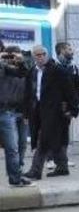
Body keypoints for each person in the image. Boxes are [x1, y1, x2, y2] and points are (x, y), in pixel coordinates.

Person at [23, 46, 78, 180]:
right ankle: (62, 167)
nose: (40, 57)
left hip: (54, 111)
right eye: (37, 55)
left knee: (44, 139)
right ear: (33, 57)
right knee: (54, 139)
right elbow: (27, 94)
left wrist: (73, 109)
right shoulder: (31, 72)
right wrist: (26, 113)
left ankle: (35, 170)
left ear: (47, 55)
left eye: (43, 54)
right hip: (37, 111)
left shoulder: (57, 71)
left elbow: (70, 90)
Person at [0, 48, 32, 187]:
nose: (10, 58)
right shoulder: (2, 67)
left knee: (18, 146)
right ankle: (16, 176)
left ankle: (16, 175)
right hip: (6, 112)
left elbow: (23, 73)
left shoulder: (11, 66)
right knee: (13, 147)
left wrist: (21, 61)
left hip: (15, 112)